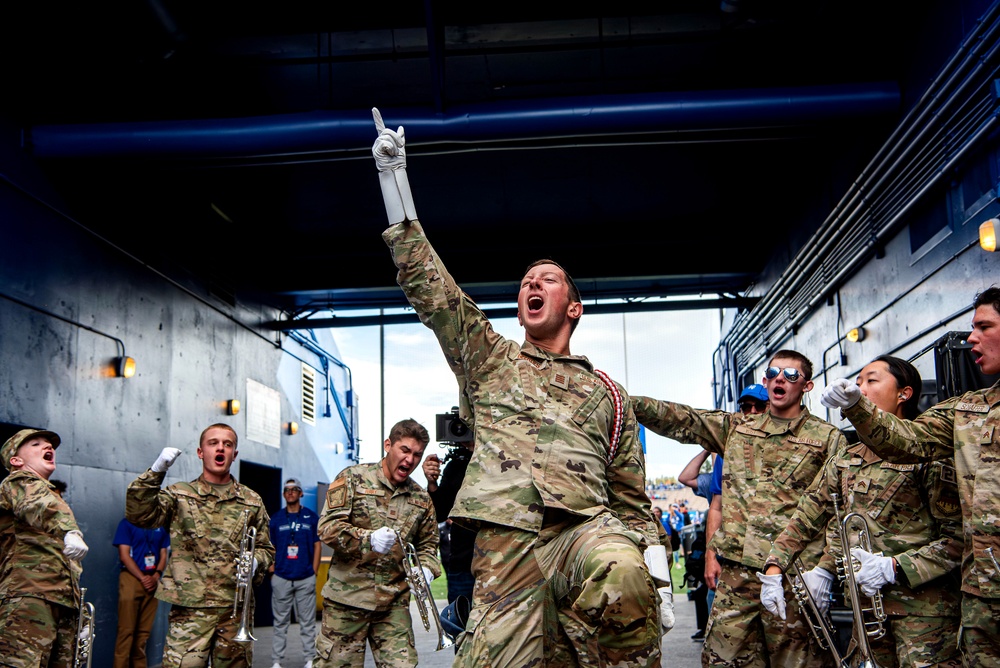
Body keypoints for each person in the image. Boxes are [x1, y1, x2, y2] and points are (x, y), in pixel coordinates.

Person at [372, 108, 667, 667]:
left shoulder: (609, 394)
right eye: (527, 280)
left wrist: (653, 557)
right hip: (505, 544)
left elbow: (629, 492)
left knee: (625, 574)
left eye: (547, 278)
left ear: (573, 307)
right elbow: (436, 294)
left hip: (583, 532)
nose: (532, 282)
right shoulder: (490, 359)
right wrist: (395, 185)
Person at [820, 286, 1000, 665]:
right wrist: (856, 408)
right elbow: (908, 439)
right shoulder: (969, 411)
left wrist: (895, 567)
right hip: (984, 596)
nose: (971, 338)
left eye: (984, 326)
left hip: (927, 609)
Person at [633, 350, 845, 668]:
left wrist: (825, 570)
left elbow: (839, 510)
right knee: (723, 660)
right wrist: (622, 398)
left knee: (798, 662)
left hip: (794, 577)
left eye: (790, 375)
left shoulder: (827, 439)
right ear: (764, 380)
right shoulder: (737, 429)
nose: (779, 379)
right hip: (736, 577)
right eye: (774, 372)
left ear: (807, 386)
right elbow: (680, 417)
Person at [762, 355, 962, 667]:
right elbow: (807, 515)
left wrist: (896, 566)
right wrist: (776, 568)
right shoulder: (847, 458)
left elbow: (958, 540)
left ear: (903, 394)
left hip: (925, 619)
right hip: (865, 615)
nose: (861, 389)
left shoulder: (929, 457)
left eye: (871, 381)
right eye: (857, 383)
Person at [125, 423, 275, 668]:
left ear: (234, 455)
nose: (221, 448)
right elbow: (139, 514)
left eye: (228, 444)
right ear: (200, 452)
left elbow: (266, 548)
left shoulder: (251, 500)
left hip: (234, 609)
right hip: (190, 608)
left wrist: (257, 560)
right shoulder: (179, 494)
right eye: (213, 443)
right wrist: (156, 471)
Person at [314, 418, 440, 667]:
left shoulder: (421, 498)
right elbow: (327, 528)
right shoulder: (352, 478)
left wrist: (426, 569)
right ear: (388, 445)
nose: (410, 460)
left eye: (417, 454)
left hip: (393, 605)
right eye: (404, 450)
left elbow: (428, 545)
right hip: (347, 603)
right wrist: (367, 539)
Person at [0, 428, 89, 667]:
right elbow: (39, 503)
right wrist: (70, 531)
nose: (47, 447)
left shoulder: (50, 495)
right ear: (16, 460)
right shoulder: (18, 483)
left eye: (49, 445)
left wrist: (79, 615)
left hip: (58, 601)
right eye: (36, 444)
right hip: (30, 597)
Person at [268, 478, 321, 668]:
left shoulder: (311, 517)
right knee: (280, 623)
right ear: (283, 494)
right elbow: (268, 545)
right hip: (281, 577)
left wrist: (314, 571)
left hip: (305, 577)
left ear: (301, 493)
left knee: (307, 622)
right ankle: (276, 661)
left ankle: (309, 658)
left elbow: (316, 544)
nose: (290, 492)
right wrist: (271, 569)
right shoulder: (276, 519)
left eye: (295, 489)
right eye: (287, 490)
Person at [422, 441, 476, 605]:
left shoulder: (499, 462)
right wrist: (432, 483)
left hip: (496, 560)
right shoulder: (455, 466)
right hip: (463, 561)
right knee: (459, 622)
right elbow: (440, 513)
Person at [112, 516, 170, 668]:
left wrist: (156, 575)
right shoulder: (126, 523)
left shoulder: (161, 525)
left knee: (143, 635)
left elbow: (164, 553)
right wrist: (142, 577)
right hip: (132, 578)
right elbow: (124, 555)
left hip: (153, 581)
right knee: (126, 632)